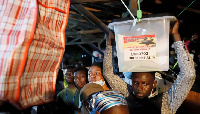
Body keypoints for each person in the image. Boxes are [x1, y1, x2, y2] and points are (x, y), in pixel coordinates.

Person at [103, 21, 196, 114]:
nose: (139, 88)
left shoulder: (166, 102)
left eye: (145, 84)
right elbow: (108, 73)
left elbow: (188, 74)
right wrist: (109, 44)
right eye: (136, 83)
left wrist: (176, 36)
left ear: (154, 83)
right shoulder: (127, 93)